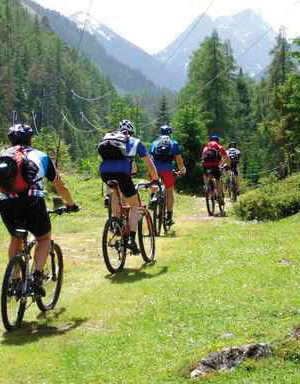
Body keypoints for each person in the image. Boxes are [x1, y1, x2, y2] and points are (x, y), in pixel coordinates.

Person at [0, 123, 78, 296]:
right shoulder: (41, 156)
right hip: (32, 203)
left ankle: (15, 279)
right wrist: (71, 204)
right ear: (30, 139)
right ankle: (36, 277)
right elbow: (60, 185)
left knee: (16, 237)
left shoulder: (3, 156)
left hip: (7, 205)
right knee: (44, 238)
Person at [99, 119, 158, 254]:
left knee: (115, 192)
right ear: (132, 132)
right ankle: (131, 238)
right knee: (135, 205)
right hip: (122, 174)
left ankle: (115, 222)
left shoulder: (110, 139)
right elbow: (149, 164)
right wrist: (155, 179)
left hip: (105, 173)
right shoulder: (135, 142)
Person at [149, 124, 186, 227]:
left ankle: (153, 197)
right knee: (169, 190)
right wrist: (182, 170)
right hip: (167, 170)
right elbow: (178, 159)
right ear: (170, 133)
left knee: (154, 184)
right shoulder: (173, 143)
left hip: (155, 170)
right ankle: (169, 217)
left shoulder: (154, 143)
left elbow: (150, 158)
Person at [202, 134, 231, 204]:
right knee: (218, 180)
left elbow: (203, 157)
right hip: (215, 165)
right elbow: (226, 157)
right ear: (217, 141)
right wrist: (227, 165)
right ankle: (219, 197)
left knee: (206, 174)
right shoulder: (218, 146)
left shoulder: (206, 147)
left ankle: (207, 186)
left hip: (205, 165)